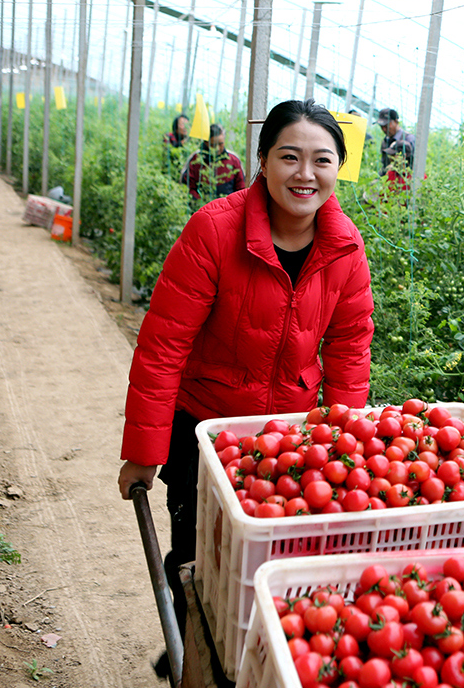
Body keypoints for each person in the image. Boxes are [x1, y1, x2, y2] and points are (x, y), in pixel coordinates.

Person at [116, 99, 375, 667]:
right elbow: (164, 346)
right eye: (289, 157)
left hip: (287, 438)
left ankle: (242, 661)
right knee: (197, 555)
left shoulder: (345, 247)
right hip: (205, 431)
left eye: (321, 160)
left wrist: (344, 442)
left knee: (276, 560)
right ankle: (192, 658)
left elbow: (351, 346)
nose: (305, 174)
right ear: (261, 161)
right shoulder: (214, 230)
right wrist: (144, 452)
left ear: (339, 168)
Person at [180, 124, 247, 203]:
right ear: (206, 142)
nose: (217, 148)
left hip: (228, 209)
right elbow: (187, 186)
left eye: (220, 144)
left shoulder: (233, 160)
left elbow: (241, 188)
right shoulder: (196, 159)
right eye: (213, 145)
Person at [377, 108, 415, 192]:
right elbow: (384, 165)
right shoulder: (385, 142)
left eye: (387, 125)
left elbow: (414, 166)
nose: (384, 129)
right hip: (390, 183)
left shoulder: (409, 139)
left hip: (405, 184)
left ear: (396, 121)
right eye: (381, 126)